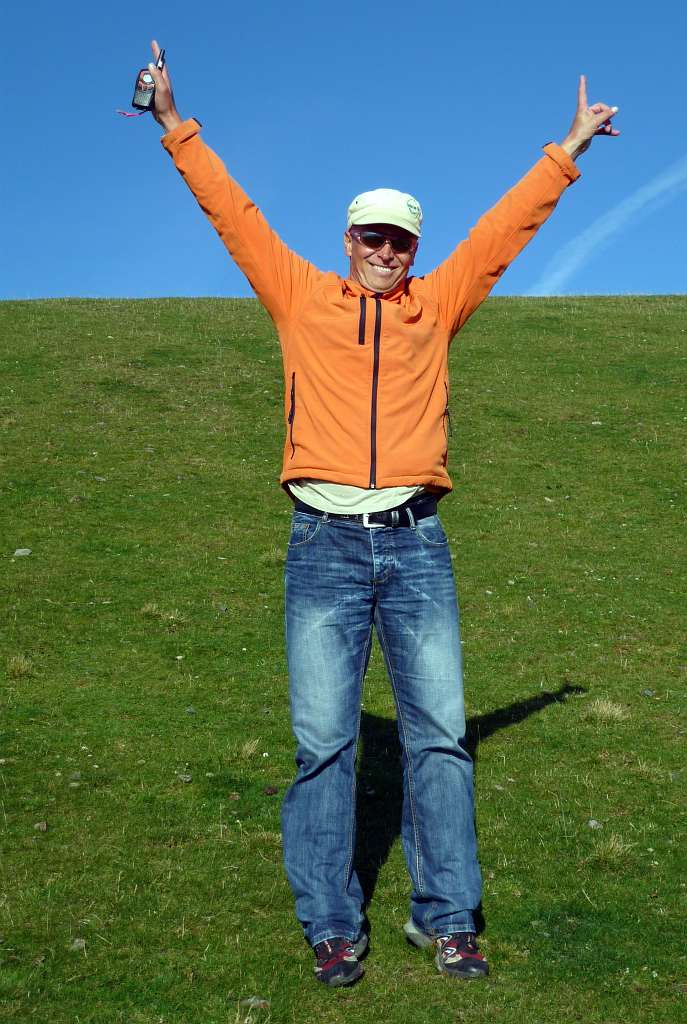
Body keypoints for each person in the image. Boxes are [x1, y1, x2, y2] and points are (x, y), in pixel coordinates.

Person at [147, 39, 619, 987]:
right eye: (371, 236)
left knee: (440, 737)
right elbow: (232, 213)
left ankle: (448, 921)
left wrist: (566, 150)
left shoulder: (435, 308)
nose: (384, 251)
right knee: (325, 744)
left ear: (414, 249)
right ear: (347, 239)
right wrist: (172, 123)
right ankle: (331, 924)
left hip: (416, 546)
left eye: (399, 240)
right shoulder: (298, 298)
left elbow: (501, 234)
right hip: (322, 545)